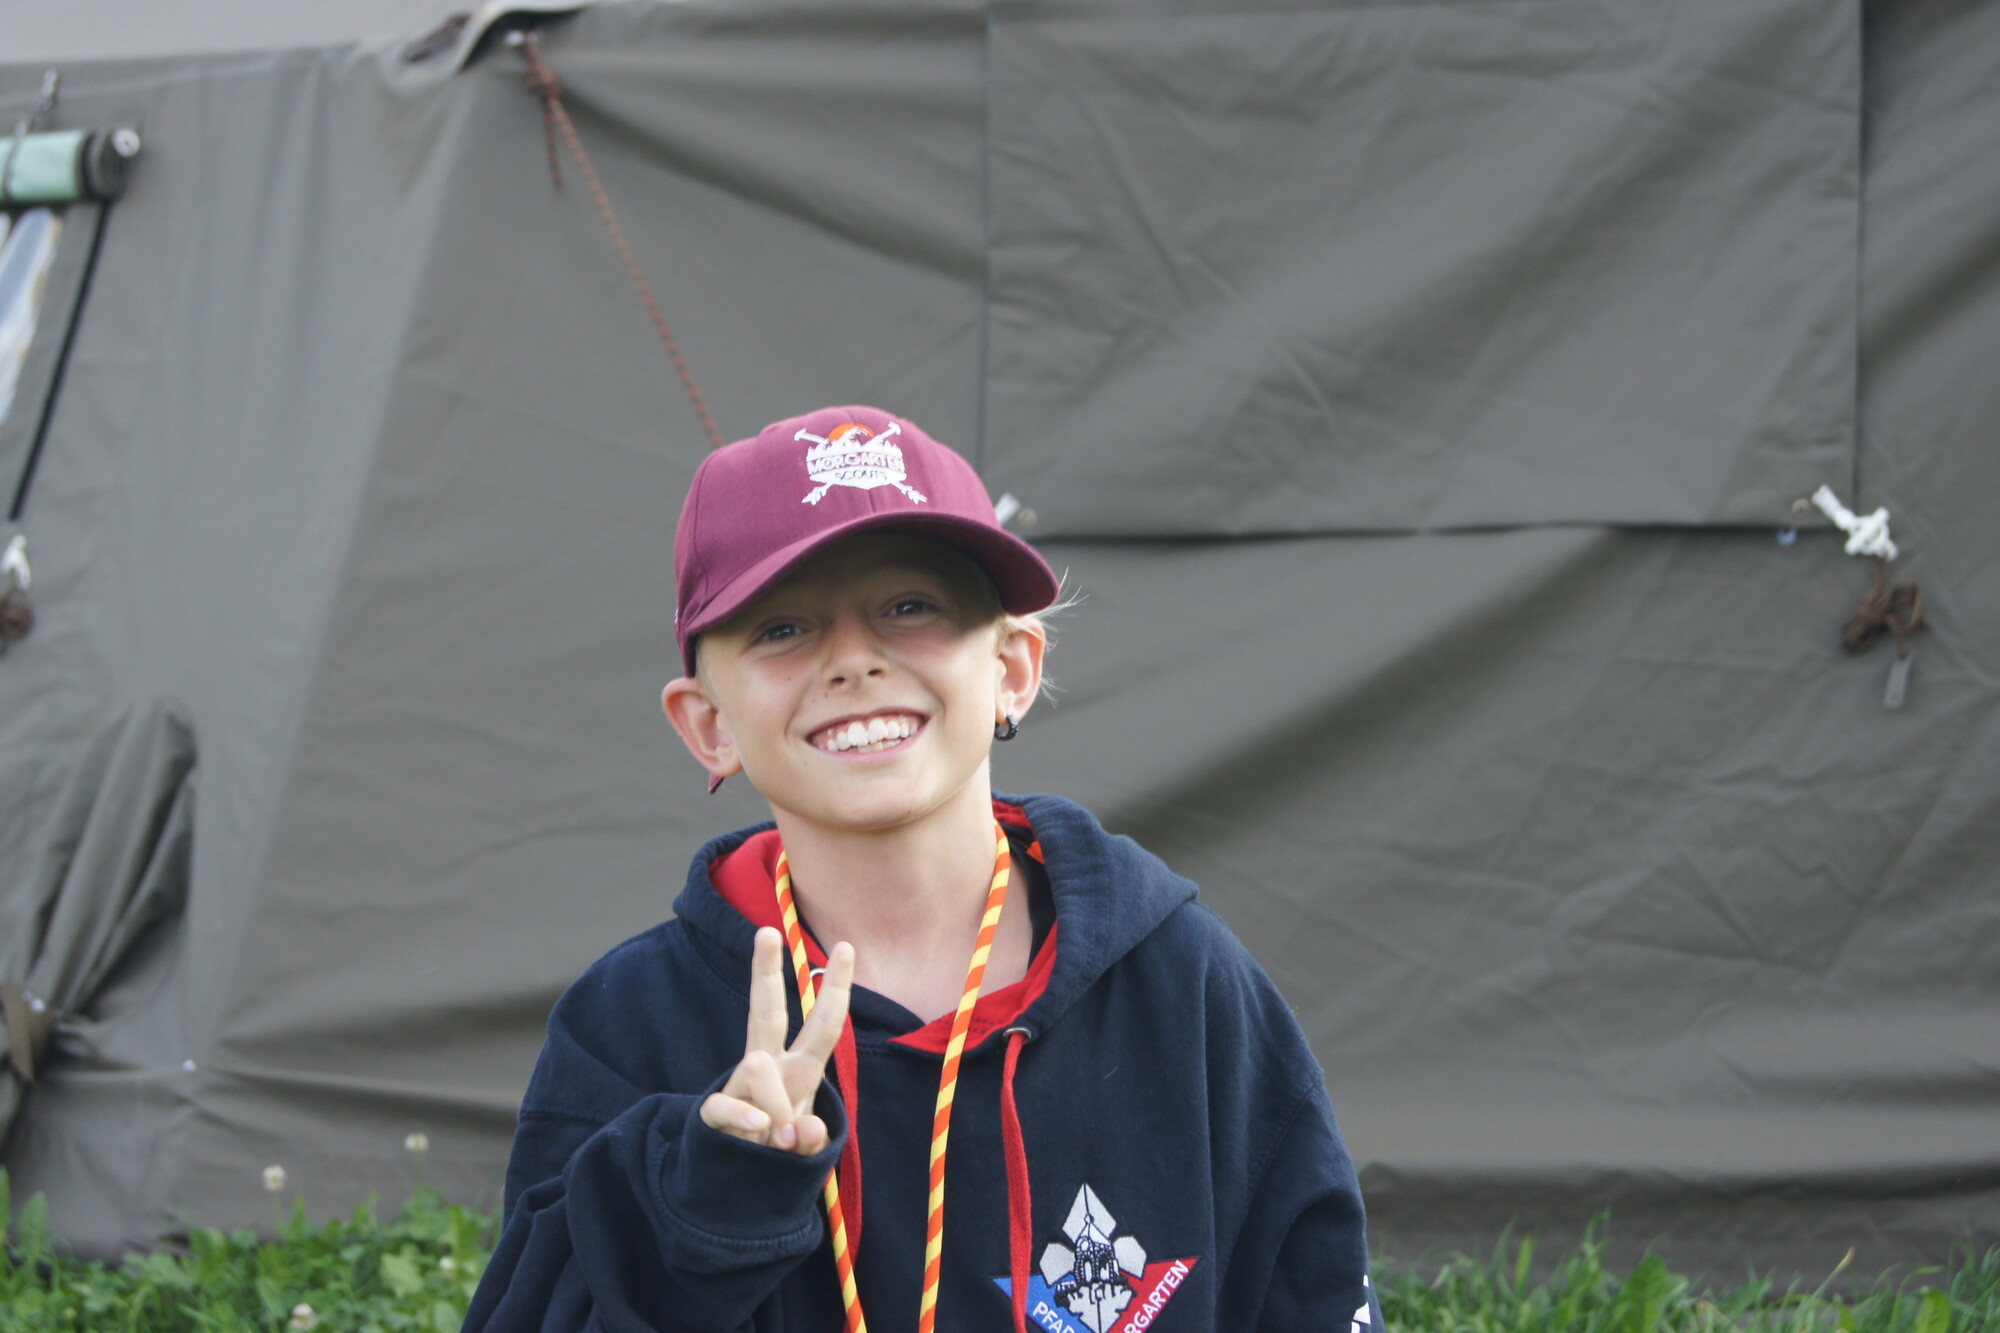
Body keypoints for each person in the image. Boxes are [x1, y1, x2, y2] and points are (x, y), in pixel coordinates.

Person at [463, 405, 1380, 1333]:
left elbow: (1309, 1290)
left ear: (1013, 668)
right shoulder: (628, 1023)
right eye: (782, 627)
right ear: (708, 725)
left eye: (910, 607)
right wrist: (703, 1204)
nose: (854, 660)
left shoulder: (1182, 984)